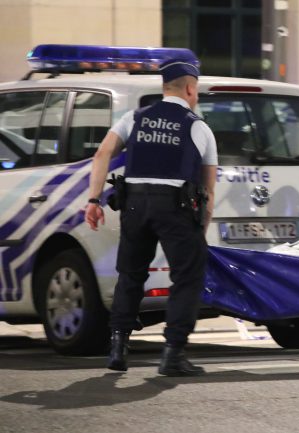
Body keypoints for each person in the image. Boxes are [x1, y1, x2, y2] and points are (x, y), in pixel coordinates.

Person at [84, 58, 218, 376]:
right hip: (176, 209)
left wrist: (93, 200)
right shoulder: (199, 127)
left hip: (134, 205)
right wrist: (200, 230)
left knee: (131, 275)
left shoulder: (134, 118)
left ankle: (118, 347)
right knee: (187, 276)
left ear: (164, 88)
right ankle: (172, 354)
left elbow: (102, 153)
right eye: (195, 90)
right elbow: (208, 189)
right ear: (189, 88)